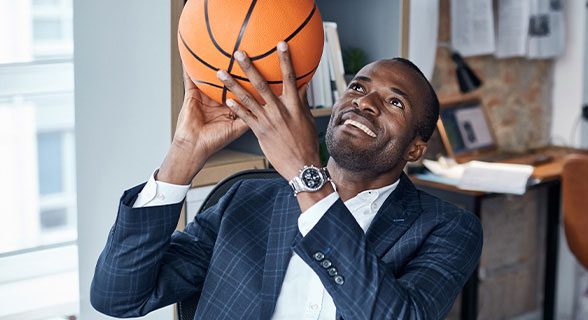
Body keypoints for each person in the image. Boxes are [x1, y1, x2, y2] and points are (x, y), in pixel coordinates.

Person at [90, 41, 482, 320]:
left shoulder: (448, 228)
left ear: (416, 148)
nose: (365, 102)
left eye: (395, 102)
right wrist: (182, 153)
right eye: (358, 87)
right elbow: (118, 297)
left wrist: (305, 176)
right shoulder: (246, 199)